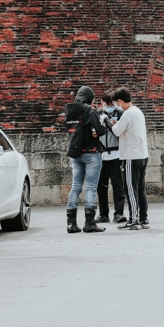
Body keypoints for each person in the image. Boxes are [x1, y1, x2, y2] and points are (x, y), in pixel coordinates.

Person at [64, 85, 110, 233]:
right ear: (90, 98)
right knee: (90, 186)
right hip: (91, 152)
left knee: (76, 185)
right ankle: (89, 223)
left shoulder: (70, 110)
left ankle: (71, 223)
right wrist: (103, 123)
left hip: (76, 153)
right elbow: (99, 131)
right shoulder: (89, 111)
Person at [111, 87, 149, 230]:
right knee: (140, 189)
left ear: (120, 101)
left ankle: (134, 219)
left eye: (116, 102)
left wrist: (109, 124)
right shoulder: (138, 112)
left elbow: (116, 131)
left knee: (130, 189)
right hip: (142, 154)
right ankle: (144, 218)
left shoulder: (127, 114)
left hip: (131, 157)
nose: (116, 105)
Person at [95, 90, 126, 224]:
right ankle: (103, 214)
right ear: (101, 102)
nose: (108, 106)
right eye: (106, 103)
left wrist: (113, 125)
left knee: (117, 185)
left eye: (111, 103)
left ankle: (118, 213)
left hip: (116, 153)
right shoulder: (96, 114)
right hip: (101, 154)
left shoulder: (121, 114)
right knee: (101, 186)